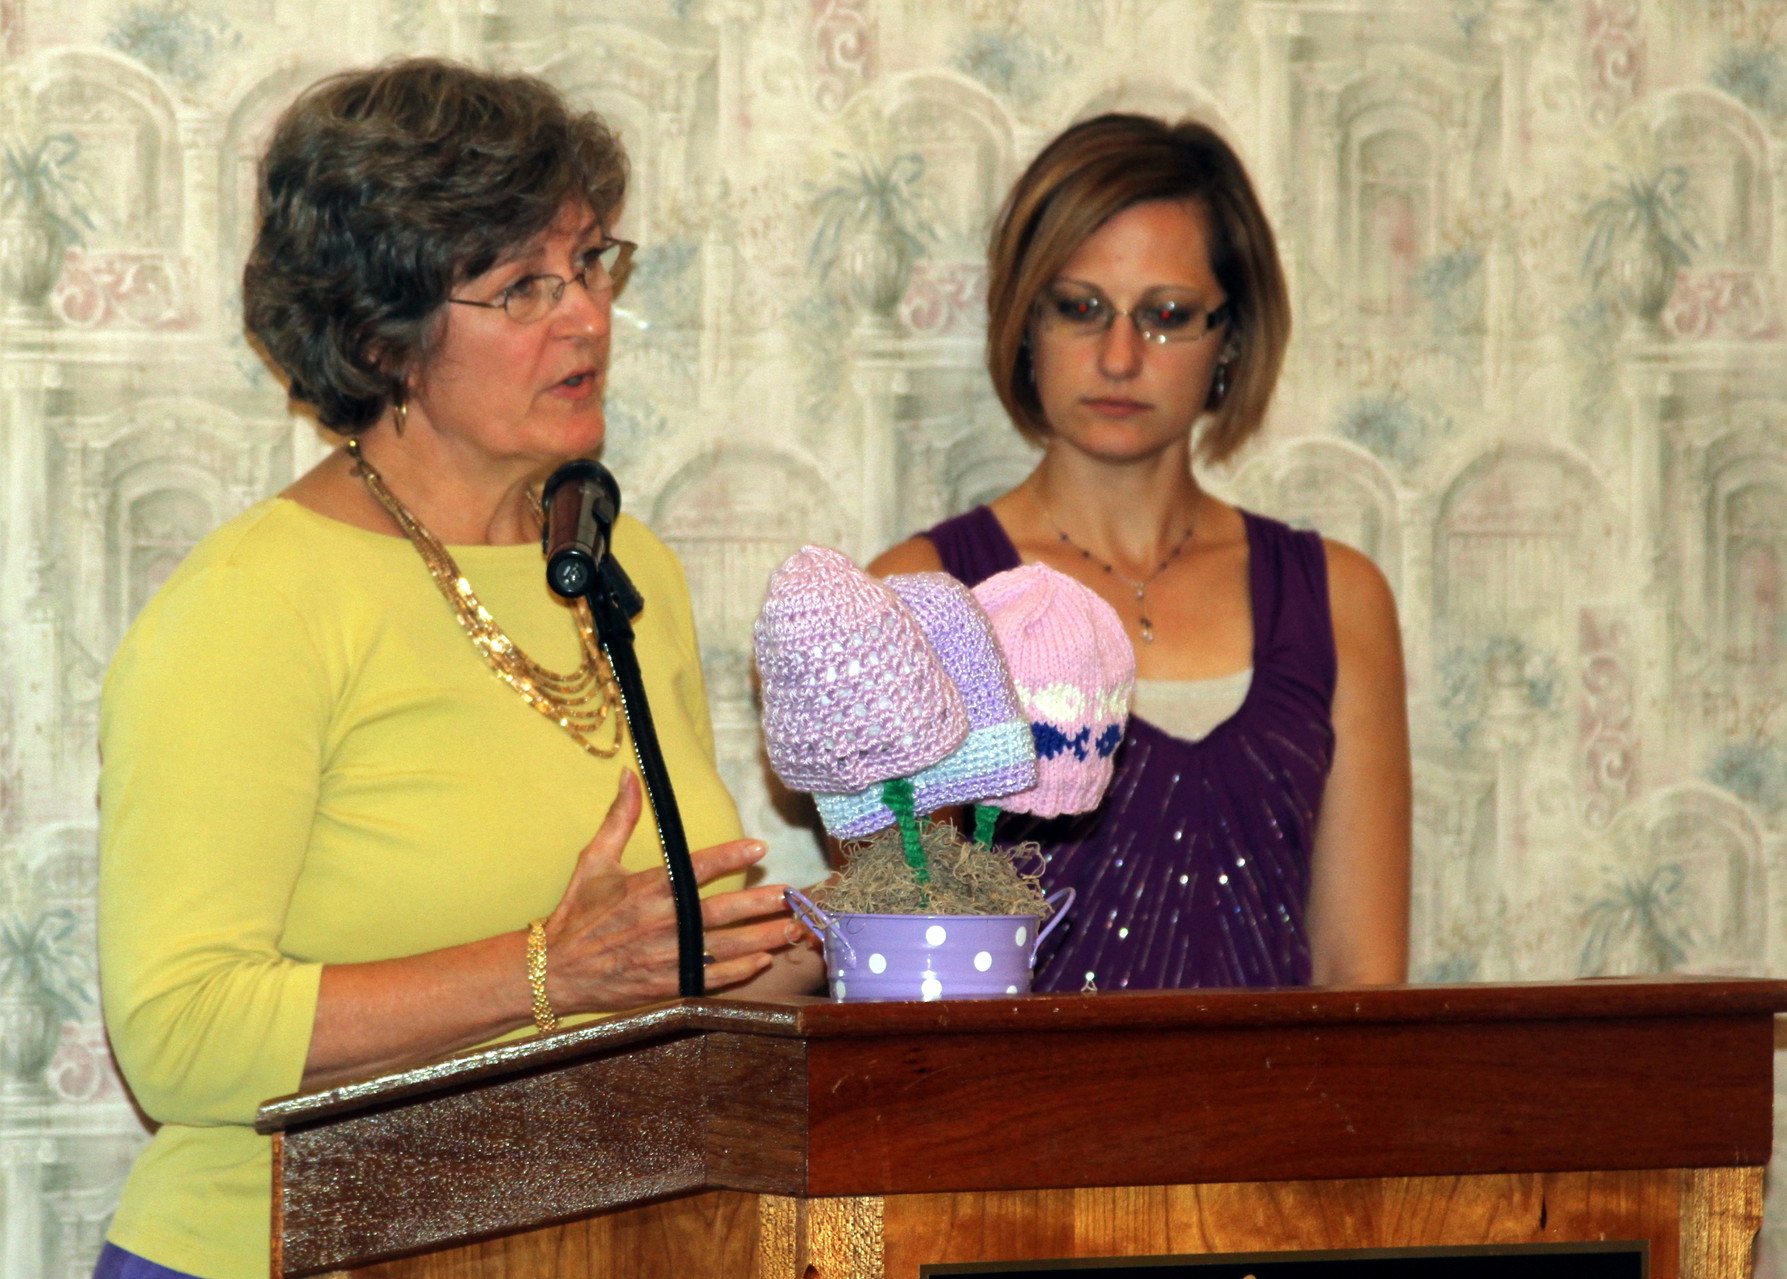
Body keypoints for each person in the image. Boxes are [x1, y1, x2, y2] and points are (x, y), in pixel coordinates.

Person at [96, 59, 814, 1279]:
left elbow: (668, 967)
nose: (587, 317)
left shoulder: (621, 561)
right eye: (524, 285)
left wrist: (825, 934)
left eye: (590, 263)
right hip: (275, 1251)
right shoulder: (253, 605)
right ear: (383, 337)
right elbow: (179, 1034)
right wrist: (548, 969)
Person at [872, 114, 1411, 992]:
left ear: (1231, 336)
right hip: (1002, 1089)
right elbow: (903, 975)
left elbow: (1361, 977)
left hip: (1289, 1088)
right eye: (1079, 307)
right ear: (1024, 321)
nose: (1119, 357)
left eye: (1166, 315)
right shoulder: (917, 598)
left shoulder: (1336, 598)